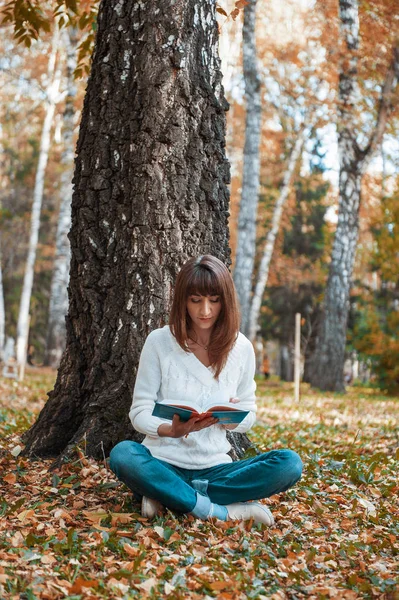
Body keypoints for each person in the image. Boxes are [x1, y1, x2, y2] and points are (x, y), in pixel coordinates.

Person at [109, 255, 302, 525]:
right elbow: (140, 411)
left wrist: (232, 416)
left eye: (214, 300)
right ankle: (218, 511)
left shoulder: (241, 348)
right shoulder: (160, 341)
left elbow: (249, 415)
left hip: (216, 470)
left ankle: (168, 498)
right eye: (195, 300)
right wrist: (171, 430)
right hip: (162, 462)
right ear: (182, 301)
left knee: (289, 463)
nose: (205, 310)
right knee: (123, 454)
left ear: (226, 301)